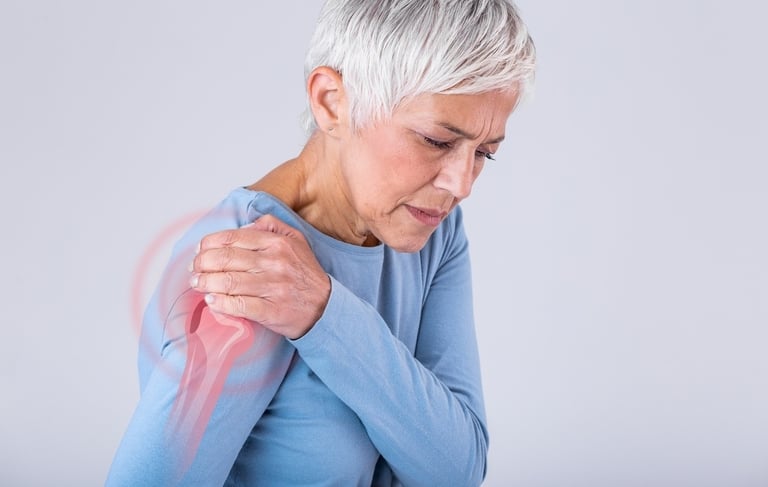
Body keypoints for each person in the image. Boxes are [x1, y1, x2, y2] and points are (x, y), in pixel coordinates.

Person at [107, 0, 535, 485]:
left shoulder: (434, 233)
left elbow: (456, 469)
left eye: (484, 153)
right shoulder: (246, 271)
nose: (462, 184)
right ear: (332, 102)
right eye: (436, 141)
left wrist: (325, 313)